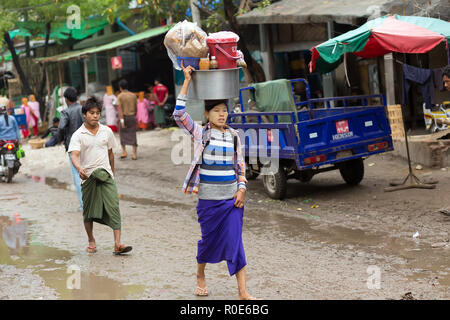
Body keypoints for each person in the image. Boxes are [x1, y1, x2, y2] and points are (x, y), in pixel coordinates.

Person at [173, 64, 256, 300]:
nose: (222, 114)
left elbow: (240, 167)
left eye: (225, 110)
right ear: (207, 114)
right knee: (208, 243)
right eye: (217, 110)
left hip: (232, 201)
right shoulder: (201, 133)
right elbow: (179, 114)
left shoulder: (234, 136)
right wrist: (187, 80)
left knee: (236, 243)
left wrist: (241, 189)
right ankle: (200, 275)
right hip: (209, 201)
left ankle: (242, 292)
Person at [69, 96, 132, 255]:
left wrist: (112, 173)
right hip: (88, 177)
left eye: (97, 113)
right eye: (91, 113)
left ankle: (117, 244)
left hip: (106, 176)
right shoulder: (78, 134)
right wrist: (79, 168)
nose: (95, 116)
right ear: (84, 114)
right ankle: (91, 240)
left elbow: (111, 153)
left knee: (114, 207)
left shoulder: (107, 131)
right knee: (88, 211)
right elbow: (74, 155)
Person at [58, 87, 85, 211]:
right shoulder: (83, 110)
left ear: (67, 100)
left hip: (73, 147)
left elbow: (61, 127)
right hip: (86, 145)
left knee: (77, 175)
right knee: (89, 172)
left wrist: (60, 138)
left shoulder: (65, 112)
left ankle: (83, 205)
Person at [117, 79, 138, 160]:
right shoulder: (133, 95)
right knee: (133, 134)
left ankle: (124, 152)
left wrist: (122, 120)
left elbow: (120, 109)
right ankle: (134, 154)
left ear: (120, 87)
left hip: (124, 117)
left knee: (122, 134)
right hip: (132, 116)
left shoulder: (120, 96)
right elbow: (136, 108)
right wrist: (135, 116)